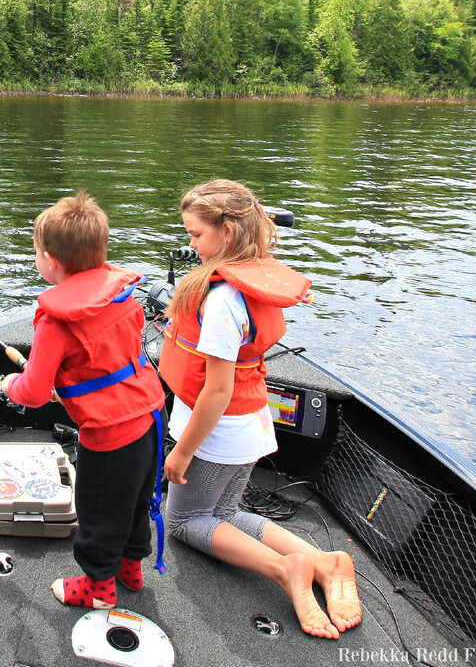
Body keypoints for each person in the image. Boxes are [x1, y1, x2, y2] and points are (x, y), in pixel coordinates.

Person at [159, 179, 362, 639]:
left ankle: (284, 570)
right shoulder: (250, 278)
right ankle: (324, 563)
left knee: (186, 521)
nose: (190, 244)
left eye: (195, 235)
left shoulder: (222, 299)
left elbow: (215, 392)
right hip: (250, 425)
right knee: (225, 512)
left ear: (227, 233)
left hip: (218, 433)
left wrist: (183, 452)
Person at [0, 191, 166, 609]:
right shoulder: (124, 298)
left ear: (50, 261)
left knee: (99, 512)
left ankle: (98, 588)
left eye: (36, 252)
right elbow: (102, 364)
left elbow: (34, 393)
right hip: (150, 423)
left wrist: (8, 387)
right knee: (135, 503)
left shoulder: (55, 322)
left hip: (109, 437)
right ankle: (131, 569)